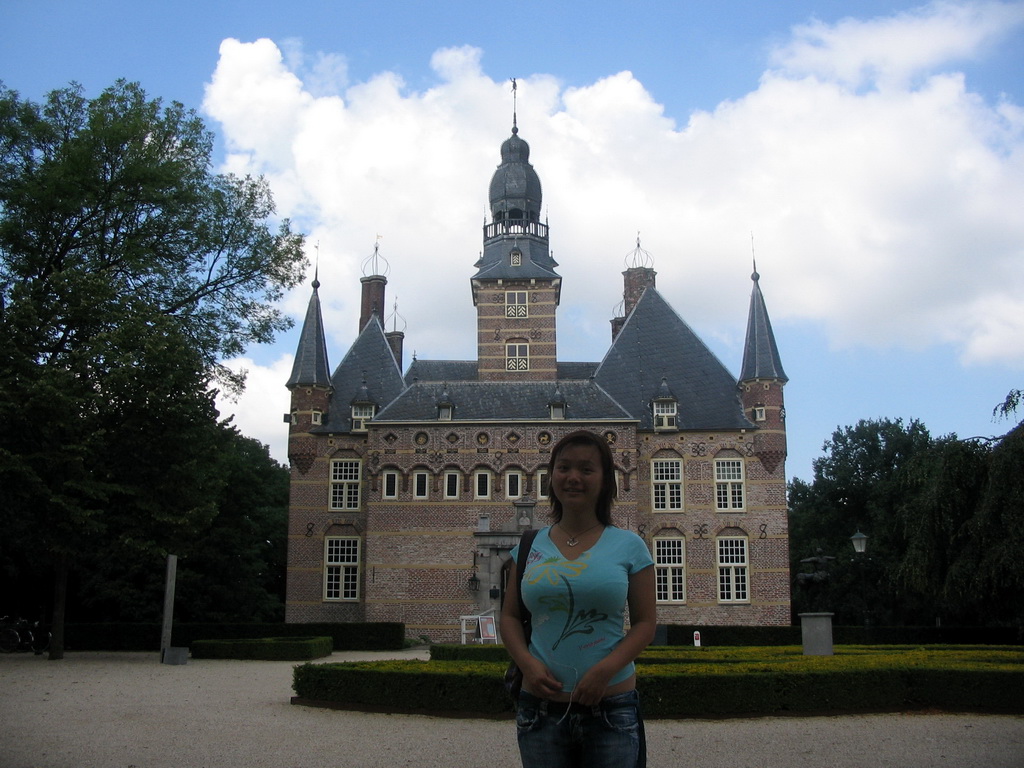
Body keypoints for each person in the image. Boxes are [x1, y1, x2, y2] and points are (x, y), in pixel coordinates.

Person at [500, 430, 656, 768]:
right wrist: (527, 664)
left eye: (586, 469)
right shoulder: (528, 547)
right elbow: (510, 617)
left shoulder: (630, 546)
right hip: (539, 710)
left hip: (611, 706)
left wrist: (606, 670)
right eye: (564, 467)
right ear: (551, 476)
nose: (573, 477)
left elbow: (645, 624)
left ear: (604, 481)